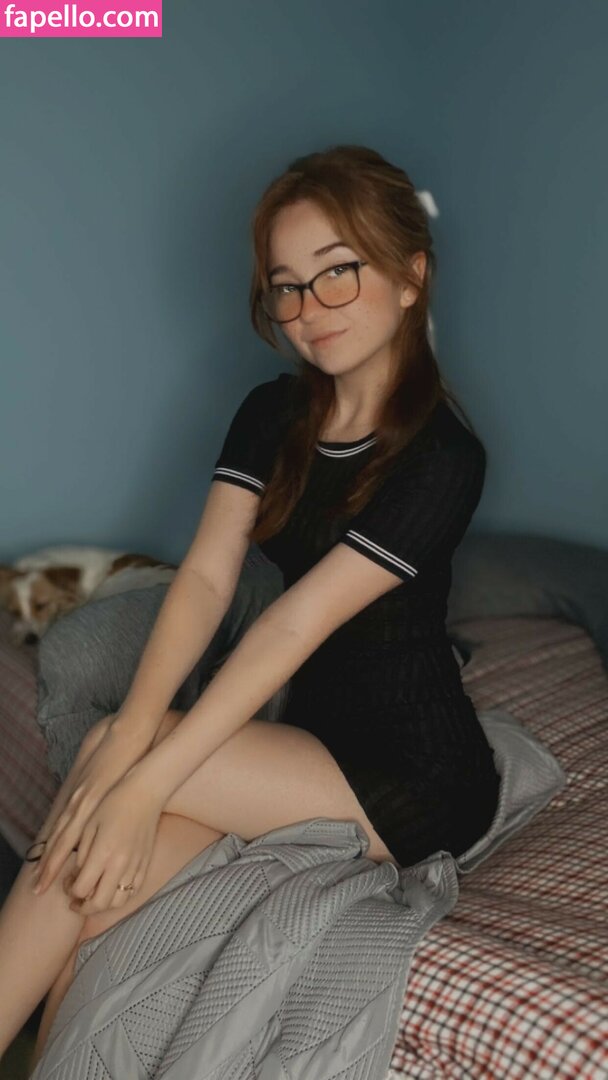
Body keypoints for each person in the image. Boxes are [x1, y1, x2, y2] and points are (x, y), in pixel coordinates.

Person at [0, 143, 500, 1069]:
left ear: (410, 277)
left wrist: (145, 778)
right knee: (98, 885)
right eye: (287, 287)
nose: (309, 309)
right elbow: (204, 579)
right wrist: (138, 728)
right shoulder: (273, 413)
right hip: (310, 742)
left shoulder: (444, 458)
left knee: (116, 769)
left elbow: (293, 622)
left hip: (414, 779)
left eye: (339, 272)